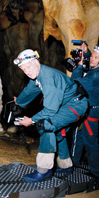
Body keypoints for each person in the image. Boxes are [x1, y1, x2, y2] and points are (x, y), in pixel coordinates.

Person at [13, 49, 88, 182]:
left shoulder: (48, 78)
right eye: (24, 69)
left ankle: (44, 170)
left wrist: (31, 120)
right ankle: (66, 166)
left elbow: (50, 111)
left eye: (28, 67)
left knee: (46, 125)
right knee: (58, 132)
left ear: (36, 62)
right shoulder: (38, 75)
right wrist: (19, 101)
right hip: (67, 105)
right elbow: (30, 89)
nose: (27, 71)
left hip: (75, 105)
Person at [70, 44, 99, 178]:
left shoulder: (96, 76)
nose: (91, 59)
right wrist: (86, 53)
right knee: (81, 137)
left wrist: (79, 66)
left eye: (96, 57)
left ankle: (96, 172)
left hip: (92, 113)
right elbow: (92, 62)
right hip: (90, 110)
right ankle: (75, 161)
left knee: (91, 142)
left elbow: (74, 83)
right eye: (92, 56)